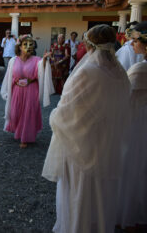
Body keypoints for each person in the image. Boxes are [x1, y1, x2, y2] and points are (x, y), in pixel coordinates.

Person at [42, 24, 131, 233]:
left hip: (82, 143)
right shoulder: (121, 74)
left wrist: (55, 116)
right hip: (108, 143)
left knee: (80, 192)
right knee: (101, 193)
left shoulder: (87, 72)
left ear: (90, 46)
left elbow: (66, 111)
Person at [117, 21, 147, 229]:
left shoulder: (139, 70)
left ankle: (130, 214)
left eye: (135, 40)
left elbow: (122, 98)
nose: (132, 44)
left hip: (138, 120)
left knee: (133, 164)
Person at [0, 35, 53, 148]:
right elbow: (9, 76)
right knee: (16, 112)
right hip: (17, 91)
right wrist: (14, 83)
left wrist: (44, 60)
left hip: (31, 90)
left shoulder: (37, 60)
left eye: (31, 45)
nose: (29, 47)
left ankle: (25, 137)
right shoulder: (13, 60)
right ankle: (18, 131)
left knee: (28, 114)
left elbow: (41, 71)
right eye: (25, 44)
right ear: (19, 46)